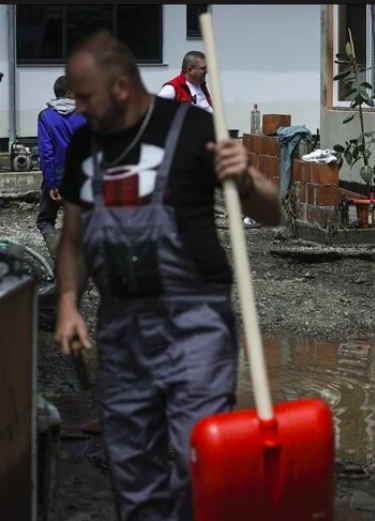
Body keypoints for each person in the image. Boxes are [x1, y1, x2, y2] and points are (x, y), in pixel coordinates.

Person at [54, 31, 281, 521]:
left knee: (199, 464)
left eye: (84, 95)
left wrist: (245, 175)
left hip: (195, 323)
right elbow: (73, 239)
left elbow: (270, 212)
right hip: (120, 329)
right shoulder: (82, 148)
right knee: (131, 470)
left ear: (118, 88)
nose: (77, 106)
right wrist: (70, 303)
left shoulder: (193, 127)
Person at [158, 51, 258, 229]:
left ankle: (245, 215)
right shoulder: (172, 89)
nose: (207, 72)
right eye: (203, 68)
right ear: (190, 69)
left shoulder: (201, 87)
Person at [36, 76, 87, 257]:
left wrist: (51, 185)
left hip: (57, 177)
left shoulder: (45, 116)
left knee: (45, 220)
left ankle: (60, 256)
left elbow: (46, 153)